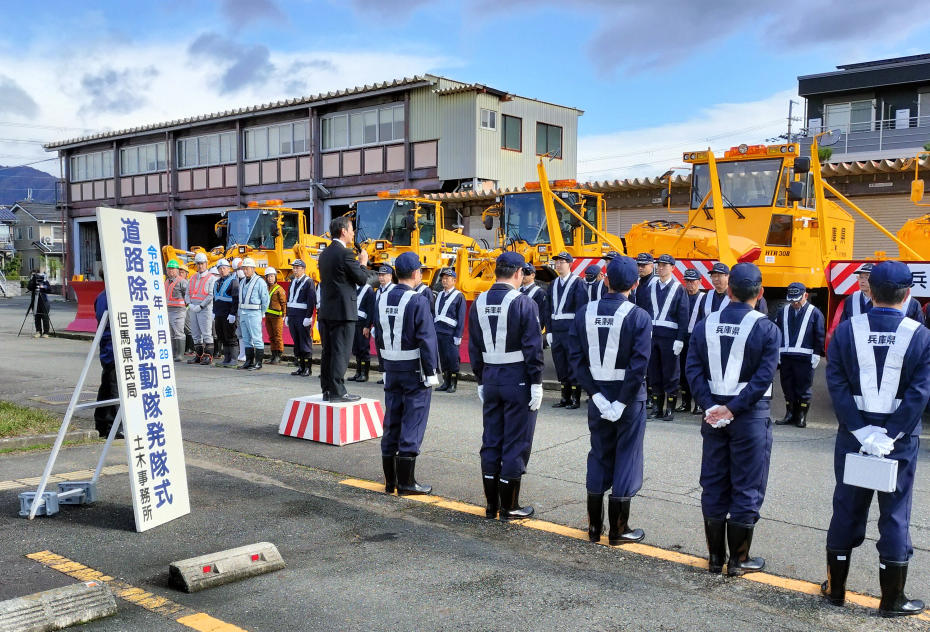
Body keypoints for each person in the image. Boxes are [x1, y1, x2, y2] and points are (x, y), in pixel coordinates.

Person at [823, 261, 930, 617]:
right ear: (907, 293)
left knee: (846, 508)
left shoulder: (847, 330)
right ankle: (892, 600)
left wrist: (860, 430)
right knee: (895, 513)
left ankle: (835, 589)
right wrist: (890, 433)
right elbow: (920, 392)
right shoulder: (920, 334)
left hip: (854, 438)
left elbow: (836, 383)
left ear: (870, 290)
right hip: (898, 442)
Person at [685, 262, 781, 576]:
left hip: (712, 416)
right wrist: (734, 408)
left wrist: (711, 405)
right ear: (760, 292)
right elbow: (764, 377)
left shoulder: (707, 323)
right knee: (747, 485)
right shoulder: (767, 328)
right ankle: (739, 560)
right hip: (750, 416)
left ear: (730, 291)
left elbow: (692, 369)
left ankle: (715, 558)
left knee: (714, 483)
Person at [569, 255, 651, 544]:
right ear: (635, 284)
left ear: (605, 280)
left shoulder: (584, 312)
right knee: (627, 457)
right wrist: (621, 402)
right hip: (628, 400)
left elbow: (576, 359)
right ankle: (618, 529)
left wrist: (596, 395)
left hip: (598, 397)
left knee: (599, 454)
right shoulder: (639, 316)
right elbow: (639, 365)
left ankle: (594, 527)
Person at [469, 251, 545, 519]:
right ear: (518, 273)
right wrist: (537, 382)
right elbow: (533, 348)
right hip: (517, 379)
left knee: (491, 440)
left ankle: (492, 505)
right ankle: (509, 506)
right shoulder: (524, 303)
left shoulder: (478, 302)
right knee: (515, 441)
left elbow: (474, 346)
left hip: (491, 378)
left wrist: (480, 378)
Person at [374, 251, 440, 495]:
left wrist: (383, 366)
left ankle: (390, 481)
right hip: (414, 371)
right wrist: (431, 371)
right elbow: (427, 339)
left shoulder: (381, 298)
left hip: (391, 368)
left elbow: (379, 335)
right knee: (413, 420)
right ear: (415, 273)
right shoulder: (417, 300)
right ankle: (406, 483)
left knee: (392, 420)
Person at [317, 215, 370, 402]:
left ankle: (327, 389)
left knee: (328, 351)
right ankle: (338, 391)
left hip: (327, 309)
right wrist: (363, 263)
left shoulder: (324, 253)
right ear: (343, 231)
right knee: (341, 352)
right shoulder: (345, 253)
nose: (353, 233)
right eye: (352, 229)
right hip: (344, 311)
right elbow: (361, 279)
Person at [774, 283, 825, 429]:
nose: (795, 303)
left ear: (806, 295)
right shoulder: (783, 311)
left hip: (805, 358)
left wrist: (817, 353)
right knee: (787, 386)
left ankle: (801, 416)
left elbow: (819, 335)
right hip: (786, 356)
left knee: (803, 387)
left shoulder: (815, 313)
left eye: (797, 300)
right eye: (792, 300)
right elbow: (777, 332)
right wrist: (777, 351)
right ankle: (790, 414)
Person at [645, 254, 690, 420]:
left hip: (670, 338)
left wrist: (680, 339)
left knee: (671, 373)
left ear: (672, 268)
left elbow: (683, 316)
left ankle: (670, 409)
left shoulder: (679, 288)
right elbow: (645, 310)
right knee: (654, 372)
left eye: (665, 265)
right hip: (652, 336)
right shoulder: (651, 287)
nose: (661, 268)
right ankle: (657, 408)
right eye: (659, 265)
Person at [546, 251, 589, 409]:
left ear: (570, 264)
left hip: (570, 330)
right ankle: (565, 398)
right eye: (557, 262)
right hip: (556, 330)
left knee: (573, 363)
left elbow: (581, 309)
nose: (558, 265)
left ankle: (576, 398)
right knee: (560, 364)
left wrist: (577, 332)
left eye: (562, 262)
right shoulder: (553, 284)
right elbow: (547, 308)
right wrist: (549, 330)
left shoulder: (578, 283)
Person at [93, 278, 122, 440]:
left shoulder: (104, 296)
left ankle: (102, 425)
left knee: (107, 386)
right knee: (115, 387)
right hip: (112, 347)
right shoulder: (108, 297)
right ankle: (113, 427)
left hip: (109, 348)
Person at [433, 268, 466, 393]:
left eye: (447, 278)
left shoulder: (459, 296)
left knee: (452, 359)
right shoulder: (440, 295)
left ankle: (453, 384)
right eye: (443, 278)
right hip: (439, 331)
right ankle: (445, 383)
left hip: (451, 333)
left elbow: (461, 317)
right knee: (443, 359)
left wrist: (458, 335)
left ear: (454, 281)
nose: (444, 280)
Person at [677, 268, 705, 415]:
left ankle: (698, 404)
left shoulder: (704, 298)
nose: (689, 284)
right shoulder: (682, 296)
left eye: (692, 281)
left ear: (699, 282)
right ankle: (685, 403)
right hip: (683, 338)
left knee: (697, 372)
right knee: (683, 371)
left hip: (697, 340)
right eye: (687, 281)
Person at [237, 257, 270, 371]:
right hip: (243, 313)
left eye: (247, 269)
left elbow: (265, 299)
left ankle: (258, 363)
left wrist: (262, 312)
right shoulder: (242, 281)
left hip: (254, 313)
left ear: (253, 269)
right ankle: (249, 362)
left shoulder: (260, 281)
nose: (245, 271)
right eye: (244, 269)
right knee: (246, 338)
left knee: (256, 338)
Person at [286, 260, 317, 377]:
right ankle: (301, 366)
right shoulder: (293, 281)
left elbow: (311, 300)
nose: (295, 270)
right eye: (294, 268)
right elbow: (289, 299)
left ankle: (308, 368)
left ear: (303, 269)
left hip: (302, 315)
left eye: (297, 268)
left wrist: (308, 316)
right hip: (293, 315)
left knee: (305, 341)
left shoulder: (308, 282)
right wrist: (287, 315)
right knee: (297, 341)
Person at [185, 252, 217, 365]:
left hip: (205, 309)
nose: (200, 266)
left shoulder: (211, 278)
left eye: (202, 263)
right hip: (193, 307)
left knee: (207, 333)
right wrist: (190, 304)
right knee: (195, 333)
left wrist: (201, 306)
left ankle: (208, 356)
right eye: (198, 263)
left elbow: (211, 295)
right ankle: (198, 355)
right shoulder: (193, 277)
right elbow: (187, 293)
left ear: (206, 264)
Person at [212, 259, 239, 367]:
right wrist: (213, 312)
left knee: (230, 337)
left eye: (224, 268)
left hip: (228, 314)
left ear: (228, 269)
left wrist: (233, 313)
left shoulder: (233, 282)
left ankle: (234, 359)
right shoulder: (217, 282)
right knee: (222, 337)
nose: (222, 270)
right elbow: (215, 298)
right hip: (219, 314)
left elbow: (236, 299)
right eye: (220, 268)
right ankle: (227, 359)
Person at [373, 265, 395, 385]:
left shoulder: (393, 290)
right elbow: (374, 309)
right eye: (380, 275)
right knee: (380, 350)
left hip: (389, 326)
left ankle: (391, 374)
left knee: (389, 351)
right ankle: (384, 374)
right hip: (378, 325)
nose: (381, 278)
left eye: (384, 275)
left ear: (390, 277)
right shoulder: (378, 291)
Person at [164, 259, 189, 362]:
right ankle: (174, 353)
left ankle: (180, 355)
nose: (170, 271)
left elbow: (187, 295)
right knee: (171, 333)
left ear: (177, 270)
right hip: (168, 310)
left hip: (178, 310)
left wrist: (186, 306)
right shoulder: (166, 281)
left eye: (172, 269)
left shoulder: (182, 281)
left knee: (179, 332)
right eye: (169, 269)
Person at [350, 279, 375, 382]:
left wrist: (367, 326)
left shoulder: (368, 289)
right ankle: (358, 372)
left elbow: (371, 309)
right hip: (353, 322)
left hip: (362, 323)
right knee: (356, 348)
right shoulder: (352, 287)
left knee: (363, 348)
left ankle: (364, 374)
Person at [264, 267, 287, 365]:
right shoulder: (265, 288)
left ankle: (279, 355)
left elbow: (283, 303)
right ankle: (273, 355)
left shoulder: (279, 289)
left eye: (272, 276)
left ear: (275, 277)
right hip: (268, 316)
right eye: (268, 277)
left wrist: (284, 315)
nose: (270, 279)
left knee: (278, 337)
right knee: (271, 336)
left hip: (277, 317)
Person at [520, 263, 548, 335]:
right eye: (521, 273)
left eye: (526, 273)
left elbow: (541, 314)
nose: (523, 275)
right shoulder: (518, 290)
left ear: (533, 275)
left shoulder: (539, 292)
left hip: (531, 330)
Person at [28, 270, 51, 338]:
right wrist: (33, 282)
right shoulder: (32, 282)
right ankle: (38, 331)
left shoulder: (44, 281)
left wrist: (43, 287)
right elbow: (29, 288)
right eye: (33, 275)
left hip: (44, 301)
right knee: (37, 317)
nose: (35, 277)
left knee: (45, 316)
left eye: (35, 275)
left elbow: (49, 289)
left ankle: (46, 332)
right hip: (35, 301)